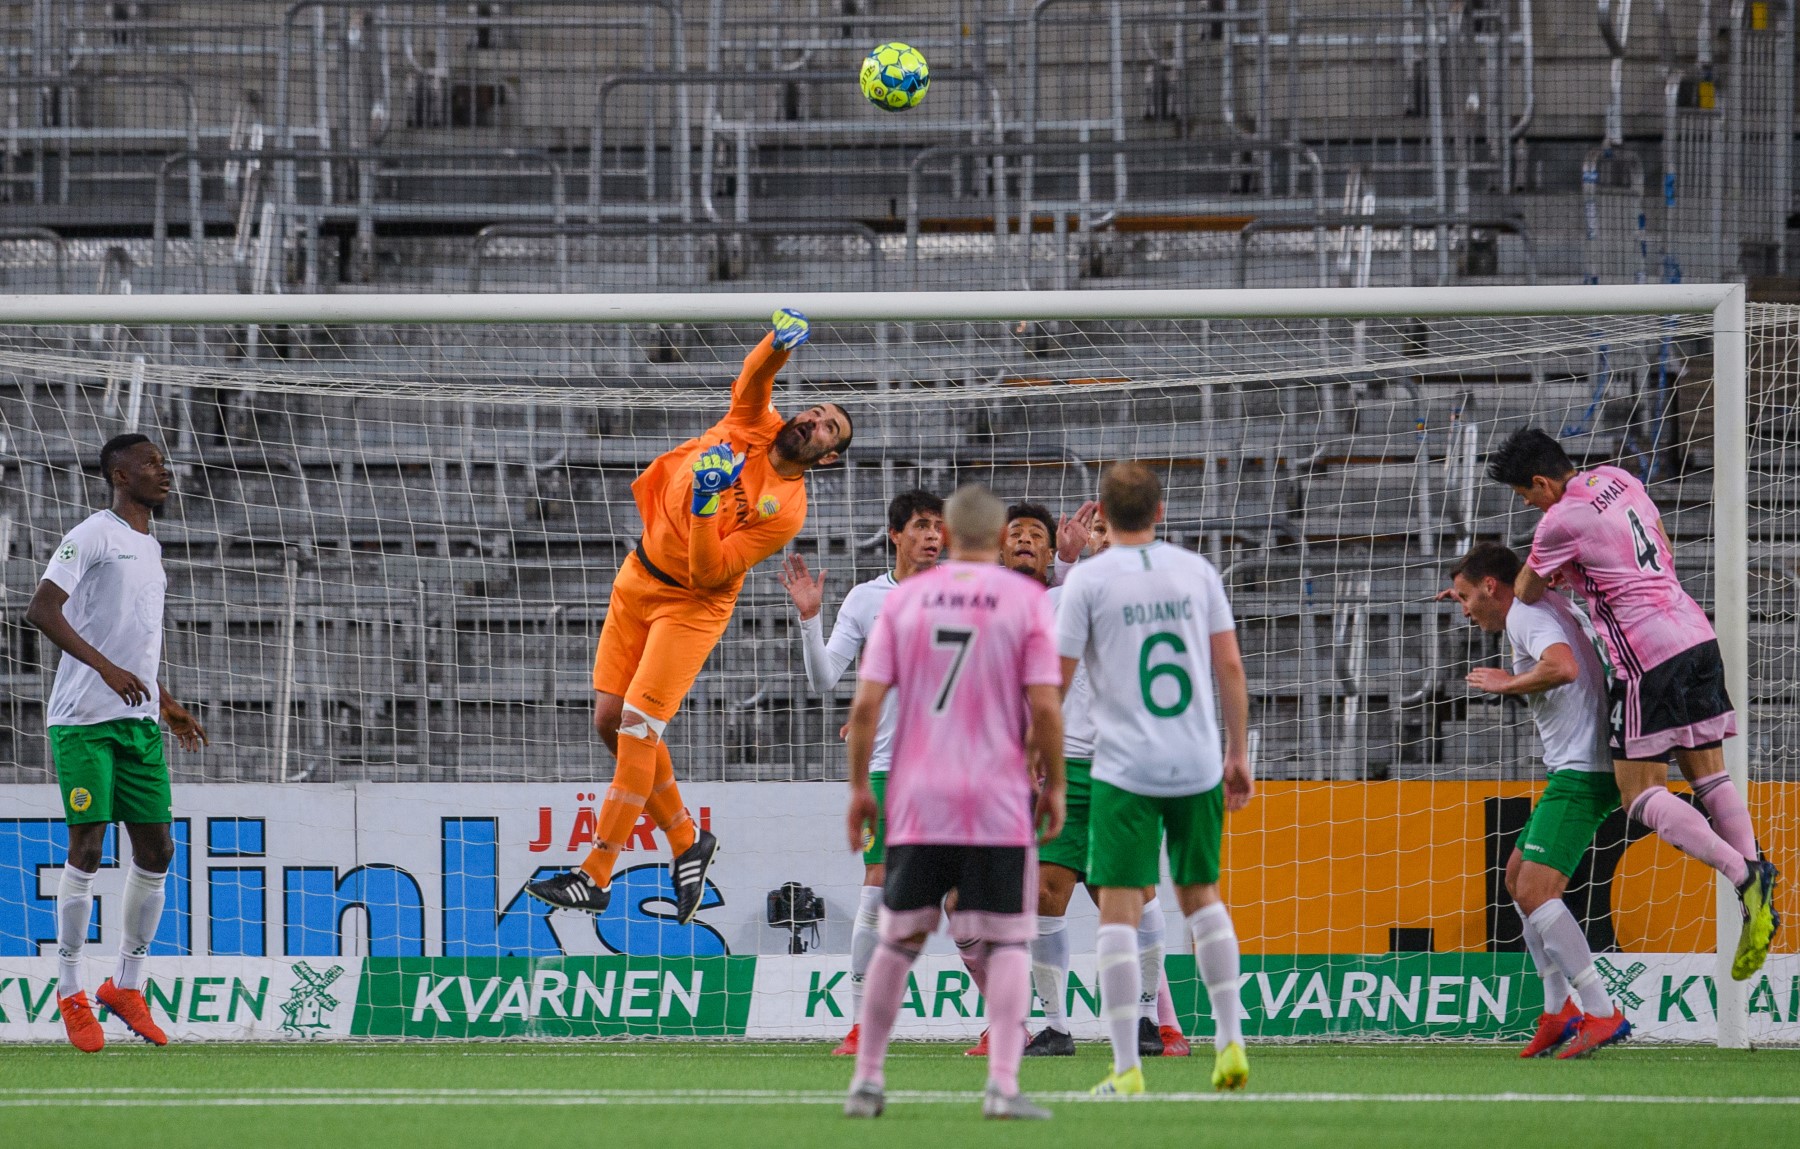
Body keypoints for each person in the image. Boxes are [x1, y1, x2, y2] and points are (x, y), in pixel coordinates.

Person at [528, 310, 853, 923]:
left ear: (828, 457)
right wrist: (776, 344)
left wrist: (706, 503)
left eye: (828, 427)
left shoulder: (786, 510)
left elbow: (710, 573)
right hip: (638, 576)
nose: (813, 421)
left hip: (694, 606)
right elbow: (753, 380)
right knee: (608, 720)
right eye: (815, 411)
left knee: (637, 727)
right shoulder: (755, 424)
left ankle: (595, 873)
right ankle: (687, 841)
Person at [1487, 428, 1778, 980]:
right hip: (1694, 632)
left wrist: (1562, 569)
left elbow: (1524, 590)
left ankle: (1745, 875)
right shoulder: (1618, 479)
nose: (1526, 505)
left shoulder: (1559, 521)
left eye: (1524, 494)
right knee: (1710, 777)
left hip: (1645, 656)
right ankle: (1755, 883)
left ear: (1542, 482)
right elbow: (1661, 544)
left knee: (1640, 795)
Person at [841, 484, 1065, 1122]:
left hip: (919, 797)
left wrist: (859, 789)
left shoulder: (904, 600)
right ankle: (1003, 1086)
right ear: (997, 537)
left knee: (899, 939)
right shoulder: (1024, 599)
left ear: (948, 534)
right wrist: (1054, 786)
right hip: (996, 800)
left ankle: (868, 1078)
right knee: (1009, 943)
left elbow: (865, 707)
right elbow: (1046, 706)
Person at [1056, 462, 1252, 1096]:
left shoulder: (1088, 580)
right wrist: (1238, 753)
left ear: (1102, 516)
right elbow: (1230, 668)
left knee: (1118, 912)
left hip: (1123, 766)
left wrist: (1040, 753)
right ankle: (1229, 1041)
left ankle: (1126, 1068)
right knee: (1202, 897)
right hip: (1195, 758)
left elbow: (1057, 679)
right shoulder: (1196, 572)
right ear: (1160, 511)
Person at [25, 434, 209, 1053]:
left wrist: (166, 702)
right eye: (151, 463)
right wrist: (105, 670)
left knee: (157, 848)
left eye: (163, 461)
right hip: (83, 721)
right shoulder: (92, 534)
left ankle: (126, 985)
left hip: (138, 721)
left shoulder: (150, 547)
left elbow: (135, 639)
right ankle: (70, 990)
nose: (164, 470)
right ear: (120, 475)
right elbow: (41, 609)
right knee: (88, 846)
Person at [1002, 505, 1190, 1060]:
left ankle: (1148, 1020)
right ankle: (1056, 1027)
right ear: (1088, 541)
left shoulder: (1159, 606)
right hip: (1067, 770)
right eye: (1098, 530)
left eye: (1113, 529)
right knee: (1045, 893)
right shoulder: (1055, 603)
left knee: (1136, 894)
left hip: (1127, 768)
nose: (1104, 538)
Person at [1444, 542, 1630, 1058]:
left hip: (1585, 769)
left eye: (1466, 598)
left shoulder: (1525, 617)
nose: (1464, 611)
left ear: (1491, 587)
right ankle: (1558, 1010)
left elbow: (1563, 667)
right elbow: (1512, 589)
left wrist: (1508, 683)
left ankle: (1601, 1011)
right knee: (1515, 877)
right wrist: (1463, 589)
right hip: (1578, 764)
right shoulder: (1542, 601)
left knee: (1536, 890)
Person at [778, 489, 945, 1056]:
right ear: (895, 534)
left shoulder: (961, 595)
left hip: (955, 771)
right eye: (921, 525)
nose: (932, 535)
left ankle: (1007, 1023)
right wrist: (810, 620)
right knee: (877, 885)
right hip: (889, 769)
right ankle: (860, 1024)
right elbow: (824, 679)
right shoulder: (867, 599)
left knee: (966, 902)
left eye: (938, 526)